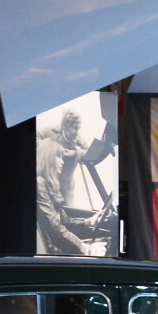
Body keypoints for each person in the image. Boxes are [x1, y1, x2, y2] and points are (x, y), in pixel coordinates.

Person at [35, 109, 113, 255]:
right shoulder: (40, 185)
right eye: (59, 157)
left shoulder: (47, 186)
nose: (62, 162)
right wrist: (86, 249)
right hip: (54, 251)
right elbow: (56, 229)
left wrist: (89, 221)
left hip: (61, 186)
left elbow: (64, 221)